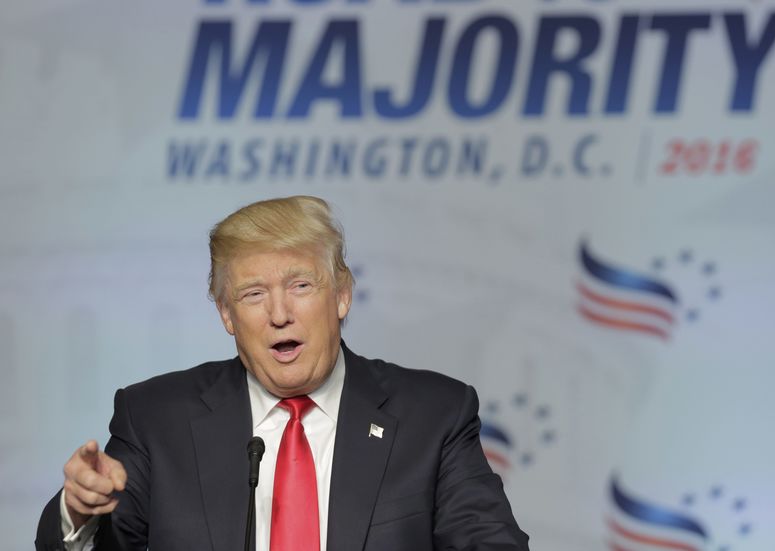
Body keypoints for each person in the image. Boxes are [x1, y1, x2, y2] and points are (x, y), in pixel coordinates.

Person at [36, 195, 529, 550]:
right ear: (226, 315)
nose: (279, 314)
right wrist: (79, 512)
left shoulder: (433, 415)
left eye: (300, 285)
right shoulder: (155, 418)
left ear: (341, 296)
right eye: (253, 294)